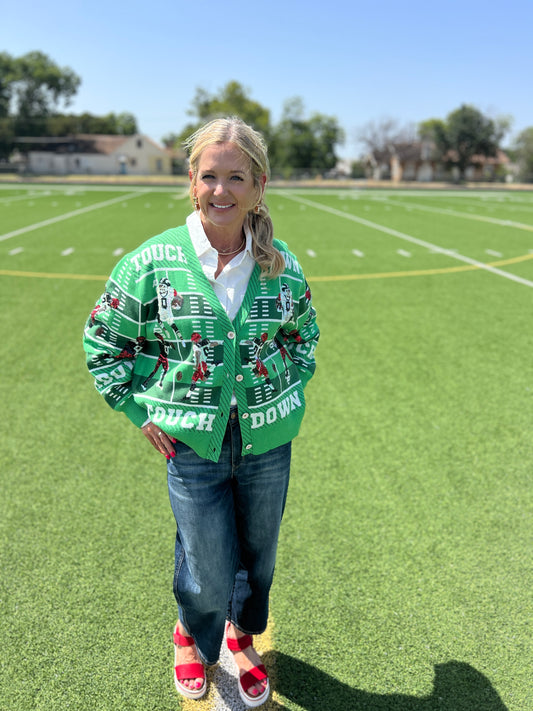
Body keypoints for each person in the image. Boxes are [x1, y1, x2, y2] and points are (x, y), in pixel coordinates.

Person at [83, 117, 319, 707]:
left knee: (258, 556)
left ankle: (240, 635)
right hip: (191, 444)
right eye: (209, 177)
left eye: (236, 177)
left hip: (268, 441)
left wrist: (279, 395)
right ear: (191, 182)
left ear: (258, 186)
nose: (222, 191)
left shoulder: (280, 265)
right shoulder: (153, 262)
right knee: (209, 565)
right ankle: (193, 631)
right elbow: (102, 339)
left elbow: (304, 338)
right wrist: (141, 408)